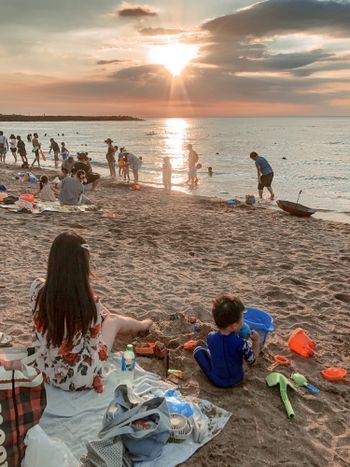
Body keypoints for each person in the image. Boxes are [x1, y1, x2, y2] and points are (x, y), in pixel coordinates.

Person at [30, 232, 153, 392]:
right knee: (113, 320)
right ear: (83, 267)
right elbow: (94, 349)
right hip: (81, 378)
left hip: (44, 372)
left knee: (102, 315)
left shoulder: (37, 288)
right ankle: (144, 325)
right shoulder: (90, 303)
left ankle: (135, 323)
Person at [194, 294, 260, 388]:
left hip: (216, 381)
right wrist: (256, 341)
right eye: (242, 319)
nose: (243, 321)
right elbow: (253, 361)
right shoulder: (241, 343)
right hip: (238, 380)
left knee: (198, 350)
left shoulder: (210, 337)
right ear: (233, 326)